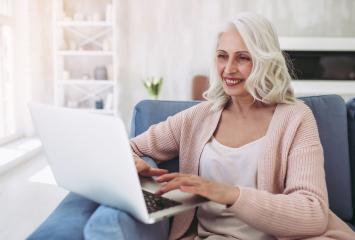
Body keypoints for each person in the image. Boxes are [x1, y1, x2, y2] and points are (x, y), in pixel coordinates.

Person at [129, 12, 355, 240]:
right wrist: (135, 164)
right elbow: (127, 149)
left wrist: (228, 193)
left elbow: (312, 214)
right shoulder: (197, 118)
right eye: (222, 56)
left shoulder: (295, 118)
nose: (228, 69)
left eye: (243, 58)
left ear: (265, 61)